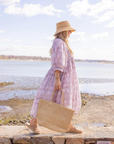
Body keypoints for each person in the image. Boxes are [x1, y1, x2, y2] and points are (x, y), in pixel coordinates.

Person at [25, 20, 82, 134]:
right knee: (48, 100)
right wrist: (57, 79)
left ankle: (68, 125)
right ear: (64, 31)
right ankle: (34, 122)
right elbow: (58, 61)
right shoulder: (58, 42)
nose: (71, 32)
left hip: (65, 77)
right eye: (69, 30)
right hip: (60, 77)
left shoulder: (63, 43)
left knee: (62, 101)